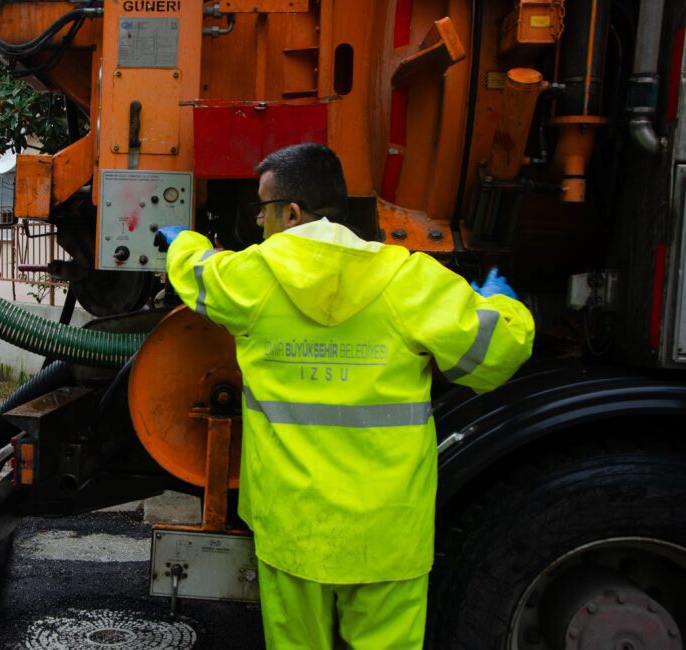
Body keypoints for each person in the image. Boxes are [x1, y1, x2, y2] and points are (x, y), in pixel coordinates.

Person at [159, 143, 534, 649]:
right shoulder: (409, 278)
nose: (260, 223)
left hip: (292, 528)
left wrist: (183, 240)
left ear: (289, 213)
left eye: (262, 210)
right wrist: (501, 305)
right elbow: (496, 357)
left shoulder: (250, 278)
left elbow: (195, 270)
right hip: (388, 532)